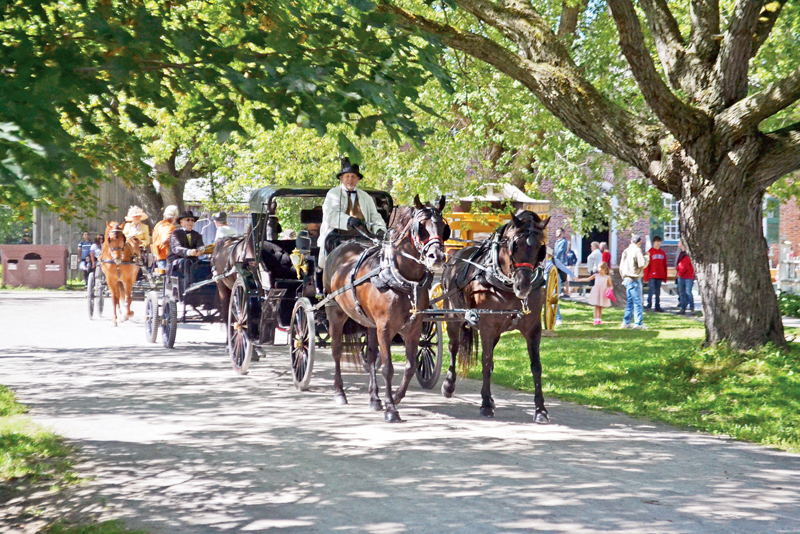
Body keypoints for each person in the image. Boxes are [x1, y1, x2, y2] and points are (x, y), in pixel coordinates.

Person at [318, 157, 387, 268]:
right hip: (338, 236)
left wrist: (380, 230)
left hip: (363, 236)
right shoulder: (333, 193)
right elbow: (331, 215)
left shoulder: (366, 197)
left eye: (353, 176)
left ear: (358, 179)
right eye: (347, 176)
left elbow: (375, 217)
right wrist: (349, 220)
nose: (350, 179)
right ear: (341, 178)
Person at [619, 234, 649, 329]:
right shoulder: (637, 250)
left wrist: (623, 276)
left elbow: (621, 266)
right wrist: (647, 257)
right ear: (639, 243)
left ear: (631, 241)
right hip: (634, 278)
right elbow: (642, 264)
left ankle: (626, 322)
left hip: (626, 278)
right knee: (638, 302)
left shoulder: (626, 251)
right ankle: (638, 323)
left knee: (630, 302)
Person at [167, 210, 205, 284]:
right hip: (176, 261)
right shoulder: (176, 233)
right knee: (185, 262)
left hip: (193, 261)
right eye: (188, 220)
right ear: (181, 222)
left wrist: (201, 250)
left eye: (192, 220)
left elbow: (200, 245)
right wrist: (189, 252)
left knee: (206, 264)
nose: (190, 222)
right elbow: (176, 248)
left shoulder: (197, 235)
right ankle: (187, 287)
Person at [644, 235, 668, 312]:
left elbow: (665, 265)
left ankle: (657, 306)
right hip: (652, 275)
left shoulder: (663, 253)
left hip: (660, 275)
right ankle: (649, 305)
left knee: (658, 291)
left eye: (659, 242)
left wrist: (665, 276)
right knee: (651, 290)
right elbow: (647, 265)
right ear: (654, 242)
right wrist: (646, 276)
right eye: (657, 242)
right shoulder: (650, 252)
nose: (658, 243)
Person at [151, 205, 179, 270]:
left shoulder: (158, 225)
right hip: (166, 259)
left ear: (164, 215)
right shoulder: (170, 227)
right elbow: (165, 241)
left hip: (158, 258)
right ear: (176, 218)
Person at [676, 240, 695, 314]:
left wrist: (679, 273)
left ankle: (692, 307)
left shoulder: (688, 254)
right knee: (681, 292)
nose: (678, 243)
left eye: (680, 241)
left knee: (688, 292)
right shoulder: (681, 253)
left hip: (688, 276)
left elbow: (686, 265)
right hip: (681, 276)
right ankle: (683, 308)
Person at [553, 228, 569, 296]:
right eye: (556, 232)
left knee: (564, 277)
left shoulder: (564, 242)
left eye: (558, 232)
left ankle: (567, 292)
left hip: (561, 261)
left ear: (562, 233)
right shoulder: (556, 242)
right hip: (557, 261)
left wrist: (555, 259)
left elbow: (560, 251)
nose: (557, 233)